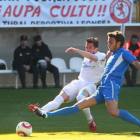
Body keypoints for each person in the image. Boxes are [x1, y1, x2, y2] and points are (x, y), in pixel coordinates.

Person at [30, 31, 140, 129]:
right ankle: (47, 114)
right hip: (102, 87)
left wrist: (77, 50)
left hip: (110, 85)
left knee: (113, 111)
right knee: (78, 106)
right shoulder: (112, 54)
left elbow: (137, 64)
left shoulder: (124, 53)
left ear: (118, 43)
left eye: (110, 42)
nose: (108, 44)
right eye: (108, 42)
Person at [30, 37, 106, 131]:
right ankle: (42, 110)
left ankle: (90, 120)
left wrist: (77, 50)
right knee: (59, 98)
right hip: (78, 82)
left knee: (80, 98)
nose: (87, 49)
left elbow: (93, 57)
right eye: (86, 47)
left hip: (90, 85)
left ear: (96, 49)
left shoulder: (101, 55)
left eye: (90, 47)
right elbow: (89, 56)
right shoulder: (87, 55)